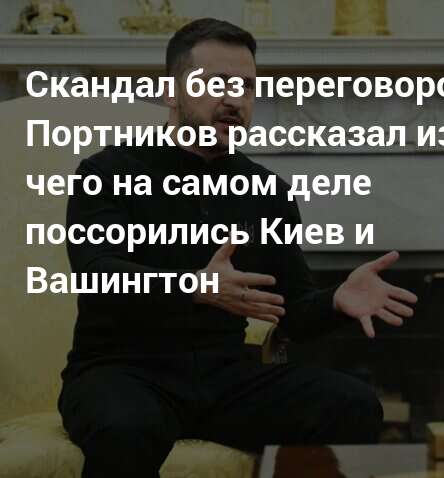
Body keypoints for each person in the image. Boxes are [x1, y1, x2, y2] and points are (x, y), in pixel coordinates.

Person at [59, 18, 418, 478]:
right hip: (122, 370)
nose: (234, 100)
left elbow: (292, 311)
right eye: (216, 83)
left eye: (246, 86)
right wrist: (195, 287)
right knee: (128, 427)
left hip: (223, 377)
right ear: (170, 91)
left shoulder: (266, 190)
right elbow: (100, 274)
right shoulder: (107, 171)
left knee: (353, 404)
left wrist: (336, 301)